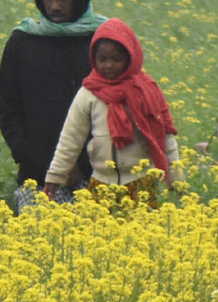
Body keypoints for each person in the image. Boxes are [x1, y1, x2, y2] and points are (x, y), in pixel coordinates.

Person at [0, 0, 107, 207]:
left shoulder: (102, 42)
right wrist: (41, 164)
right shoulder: (23, 41)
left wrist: (79, 166)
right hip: (37, 176)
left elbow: (113, 109)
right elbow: (8, 111)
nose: (55, 6)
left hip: (94, 175)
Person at [43, 18, 179, 197]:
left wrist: (177, 181)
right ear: (93, 58)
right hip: (101, 182)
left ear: (130, 57)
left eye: (116, 59)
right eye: (102, 59)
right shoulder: (88, 93)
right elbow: (70, 138)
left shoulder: (146, 90)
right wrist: (55, 176)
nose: (108, 65)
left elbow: (165, 136)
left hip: (142, 183)